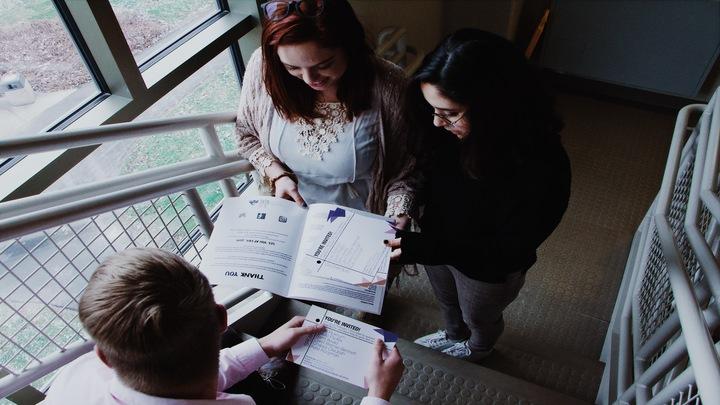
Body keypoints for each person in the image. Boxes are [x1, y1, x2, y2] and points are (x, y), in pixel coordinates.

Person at [385, 29, 571, 362]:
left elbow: (506, 249)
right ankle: (454, 333)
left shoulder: (543, 165)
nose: (437, 123)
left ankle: (480, 347)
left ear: (494, 108)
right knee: (447, 301)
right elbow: (424, 171)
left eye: (449, 113)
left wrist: (421, 248)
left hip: (487, 270)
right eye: (432, 109)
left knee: (480, 315)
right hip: (436, 244)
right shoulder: (439, 129)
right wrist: (407, 213)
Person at [44, 248, 404, 404]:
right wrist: (377, 394)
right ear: (221, 319)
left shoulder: (74, 381)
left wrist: (263, 347)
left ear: (104, 357)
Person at [235, 0, 417, 220]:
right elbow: (246, 135)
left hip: (361, 217)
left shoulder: (390, 85)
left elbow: (406, 171)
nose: (309, 79)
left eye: (323, 65)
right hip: (291, 215)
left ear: (349, 46)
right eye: (292, 67)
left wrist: (397, 216)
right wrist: (278, 175)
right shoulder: (264, 68)